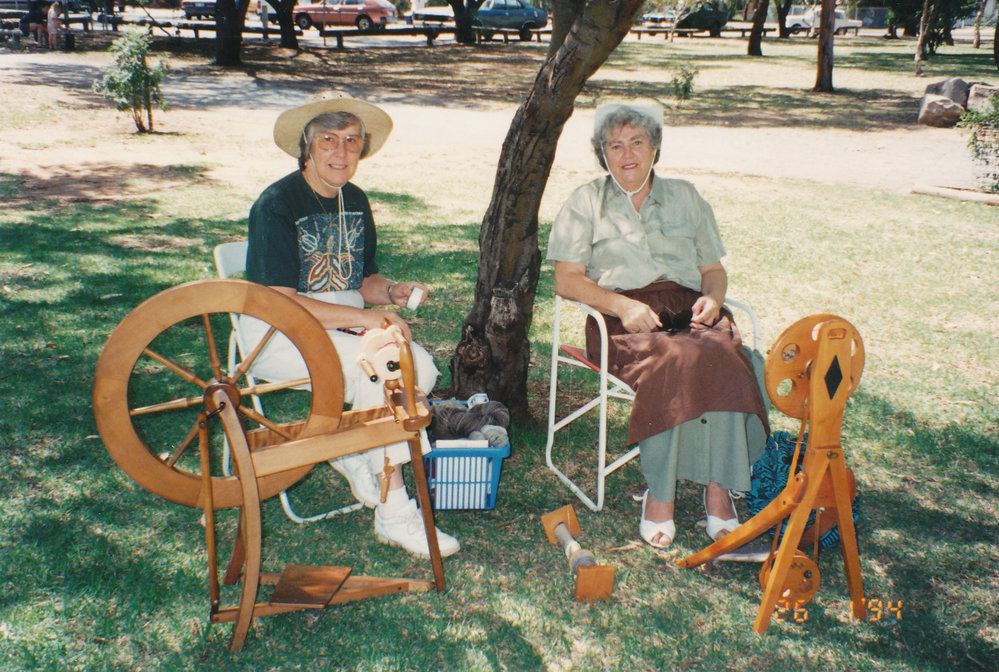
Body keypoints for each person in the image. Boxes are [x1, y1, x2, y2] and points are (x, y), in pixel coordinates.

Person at [244, 91, 460, 559]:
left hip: (341, 330)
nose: (340, 151)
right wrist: (364, 318)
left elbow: (361, 281)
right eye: (328, 139)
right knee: (385, 373)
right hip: (278, 336)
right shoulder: (276, 204)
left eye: (351, 140)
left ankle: (351, 447)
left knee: (420, 367)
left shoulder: (354, 200)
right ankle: (394, 511)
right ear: (307, 146)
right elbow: (281, 302)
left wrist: (391, 291)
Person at [546, 103, 769, 548]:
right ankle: (660, 495)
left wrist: (714, 299)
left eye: (637, 142)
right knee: (679, 356)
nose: (627, 154)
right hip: (618, 316)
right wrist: (621, 305)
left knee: (727, 353)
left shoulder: (686, 196)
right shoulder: (585, 202)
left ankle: (718, 490)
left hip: (690, 307)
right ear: (602, 154)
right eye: (615, 145)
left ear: (654, 149)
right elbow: (566, 280)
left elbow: (713, 270)